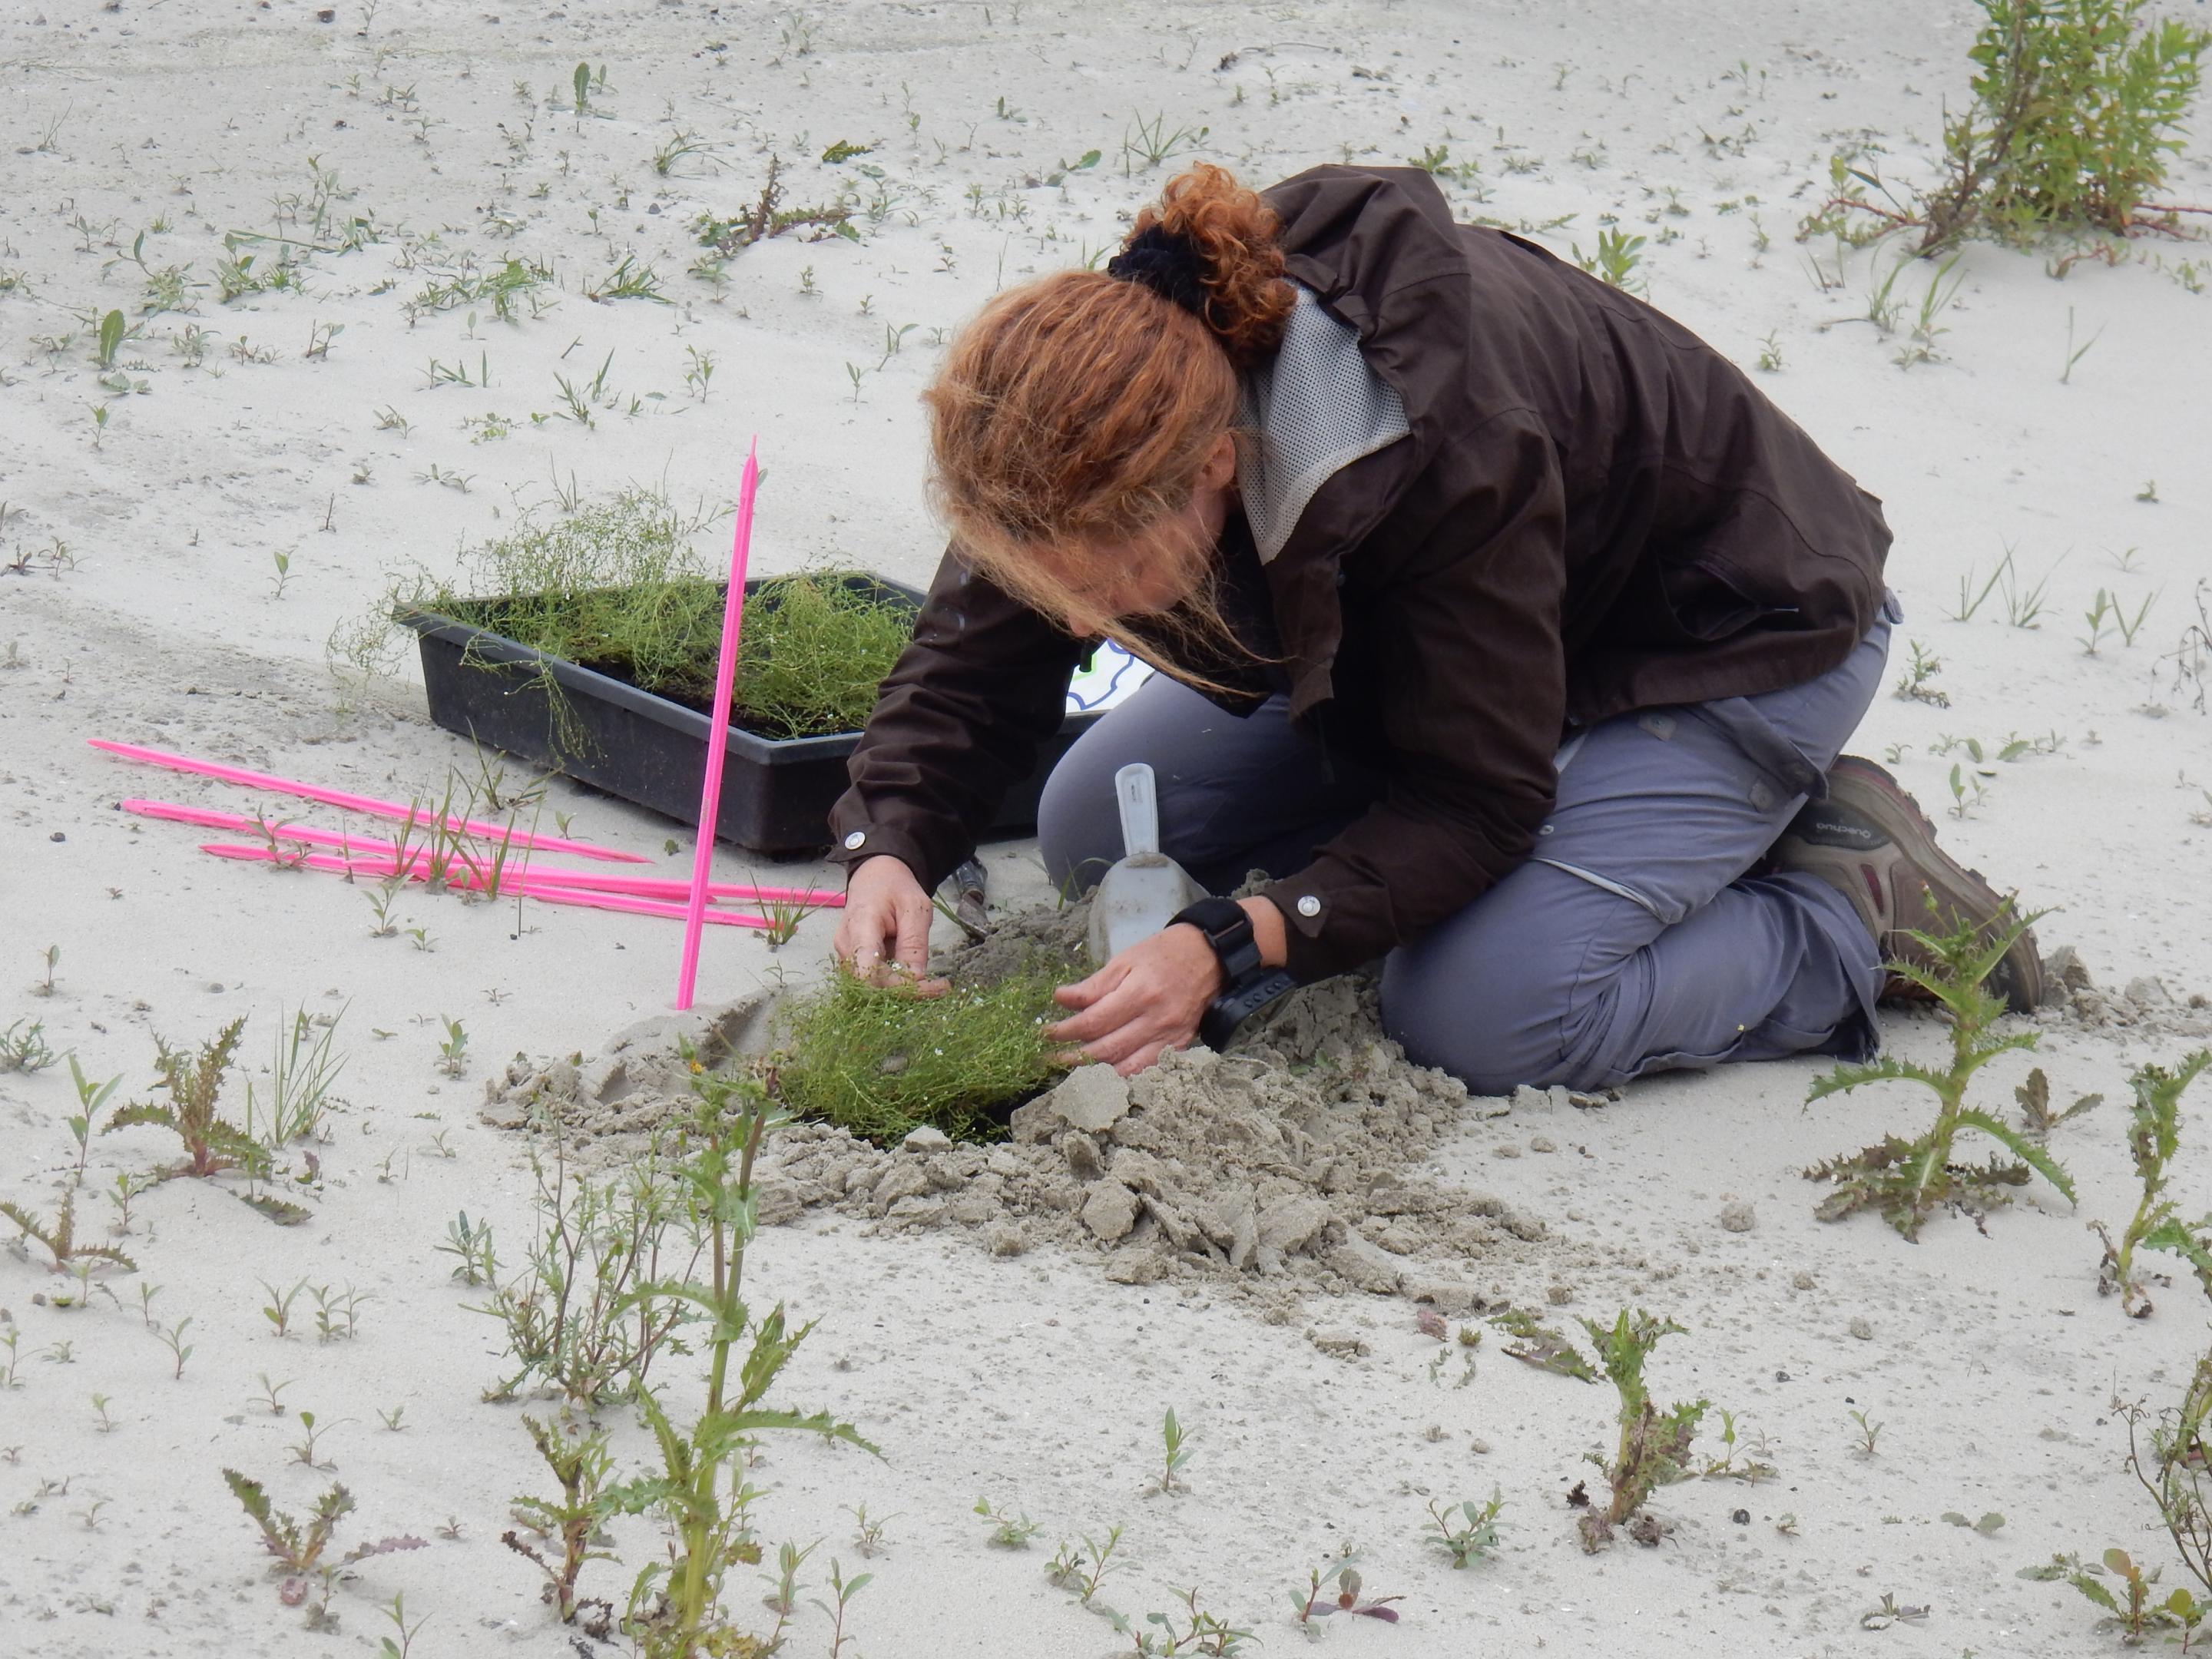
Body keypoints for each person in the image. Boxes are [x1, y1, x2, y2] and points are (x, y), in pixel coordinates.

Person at [825, 162, 2039, 1091]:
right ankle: (1643, 847)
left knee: (1481, 1016)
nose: (1088, 623)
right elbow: (982, 652)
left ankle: (1846, 908)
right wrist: (893, 843)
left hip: (1726, 639)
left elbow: (1478, 799)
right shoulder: (1097, 393)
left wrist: (1248, 937)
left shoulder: (1441, 449)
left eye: (1115, 582)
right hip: (1473, 664)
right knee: (1096, 819)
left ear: (1213, 469)